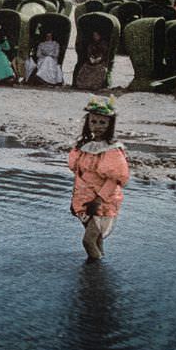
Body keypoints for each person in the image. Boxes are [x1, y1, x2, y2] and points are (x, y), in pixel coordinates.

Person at [68, 97, 130, 262]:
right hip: (83, 197)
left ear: (110, 124)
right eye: (94, 122)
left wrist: (98, 200)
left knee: (88, 241)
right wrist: (74, 200)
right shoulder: (83, 146)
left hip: (102, 200)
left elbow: (114, 180)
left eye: (103, 123)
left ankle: (94, 275)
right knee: (96, 239)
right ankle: (100, 267)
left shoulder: (111, 150)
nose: (98, 126)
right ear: (88, 123)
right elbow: (78, 174)